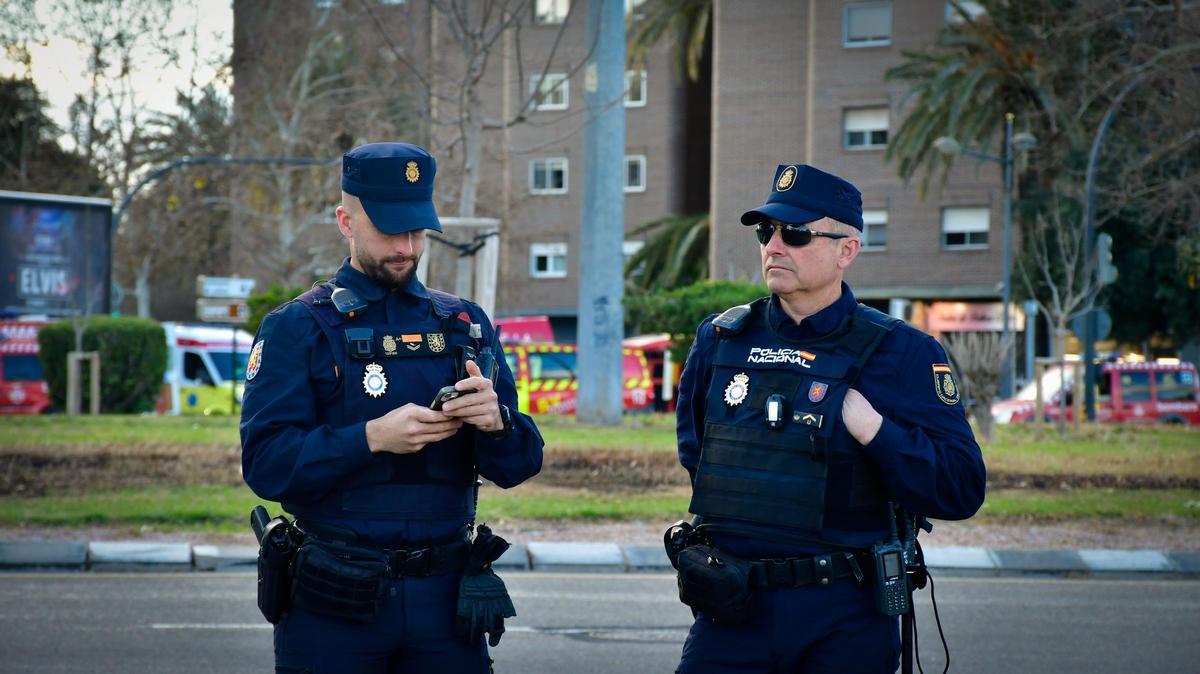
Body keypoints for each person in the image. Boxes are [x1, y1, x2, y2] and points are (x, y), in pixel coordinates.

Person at [240, 142, 544, 673]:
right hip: (336, 599)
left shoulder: (463, 325)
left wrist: (496, 425)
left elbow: (519, 464)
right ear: (345, 222)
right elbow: (266, 464)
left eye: (417, 231)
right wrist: (371, 438)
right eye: (388, 230)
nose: (405, 247)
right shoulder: (296, 327)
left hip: (446, 603)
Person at [671, 164, 986, 673]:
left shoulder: (902, 352)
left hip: (845, 615)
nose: (774, 246)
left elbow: (960, 488)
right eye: (765, 232)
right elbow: (698, 455)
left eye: (795, 234)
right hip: (731, 607)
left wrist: (876, 431)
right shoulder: (722, 339)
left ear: (847, 250)